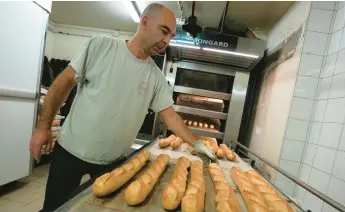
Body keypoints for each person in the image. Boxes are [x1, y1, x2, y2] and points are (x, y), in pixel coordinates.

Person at [29, 3, 217, 211]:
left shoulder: (155, 77)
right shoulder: (101, 46)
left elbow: (171, 117)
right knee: (55, 208)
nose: (166, 41)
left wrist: (196, 144)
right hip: (69, 153)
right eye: (164, 31)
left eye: (171, 36)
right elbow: (62, 84)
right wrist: (42, 128)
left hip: (113, 163)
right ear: (144, 22)